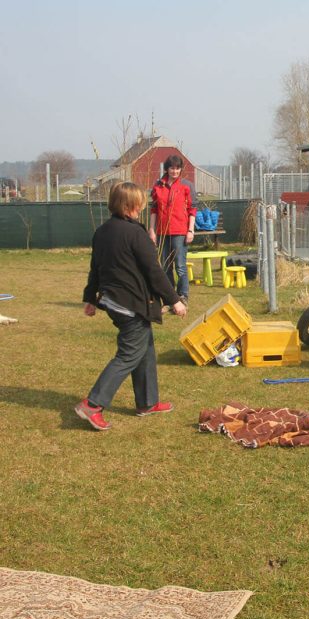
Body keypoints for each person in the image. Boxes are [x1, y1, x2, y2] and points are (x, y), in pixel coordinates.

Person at [75, 182, 187, 431]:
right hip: (130, 305)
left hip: (112, 301)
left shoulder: (102, 231)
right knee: (128, 354)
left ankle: (147, 402)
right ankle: (92, 404)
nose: (142, 207)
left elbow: (96, 269)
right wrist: (175, 301)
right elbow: (154, 273)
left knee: (144, 346)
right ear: (130, 206)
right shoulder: (136, 234)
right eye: (138, 203)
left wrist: (90, 299)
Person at [148, 155, 197, 306]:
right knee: (165, 266)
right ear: (167, 169)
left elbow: (192, 209)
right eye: (172, 168)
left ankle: (183, 296)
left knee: (180, 266)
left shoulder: (186, 186)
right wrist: (151, 229)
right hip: (162, 232)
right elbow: (154, 209)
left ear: (181, 169)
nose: (175, 171)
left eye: (177, 168)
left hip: (180, 231)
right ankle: (170, 298)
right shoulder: (158, 186)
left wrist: (190, 230)